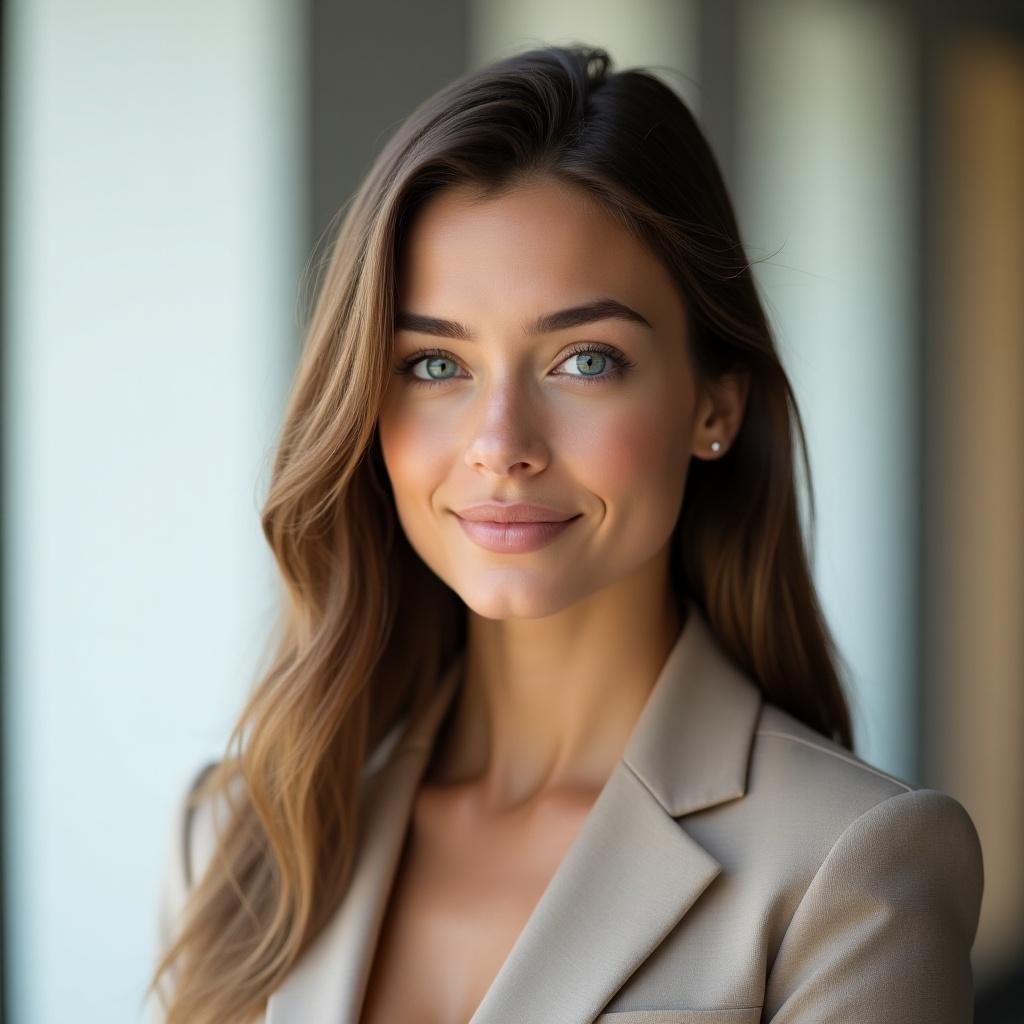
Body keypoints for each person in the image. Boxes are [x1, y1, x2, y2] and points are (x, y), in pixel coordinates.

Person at [143, 43, 984, 1024]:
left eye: (585, 360)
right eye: (432, 364)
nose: (501, 445)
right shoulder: (238, 837)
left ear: (712, 404)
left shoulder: (846, 864)